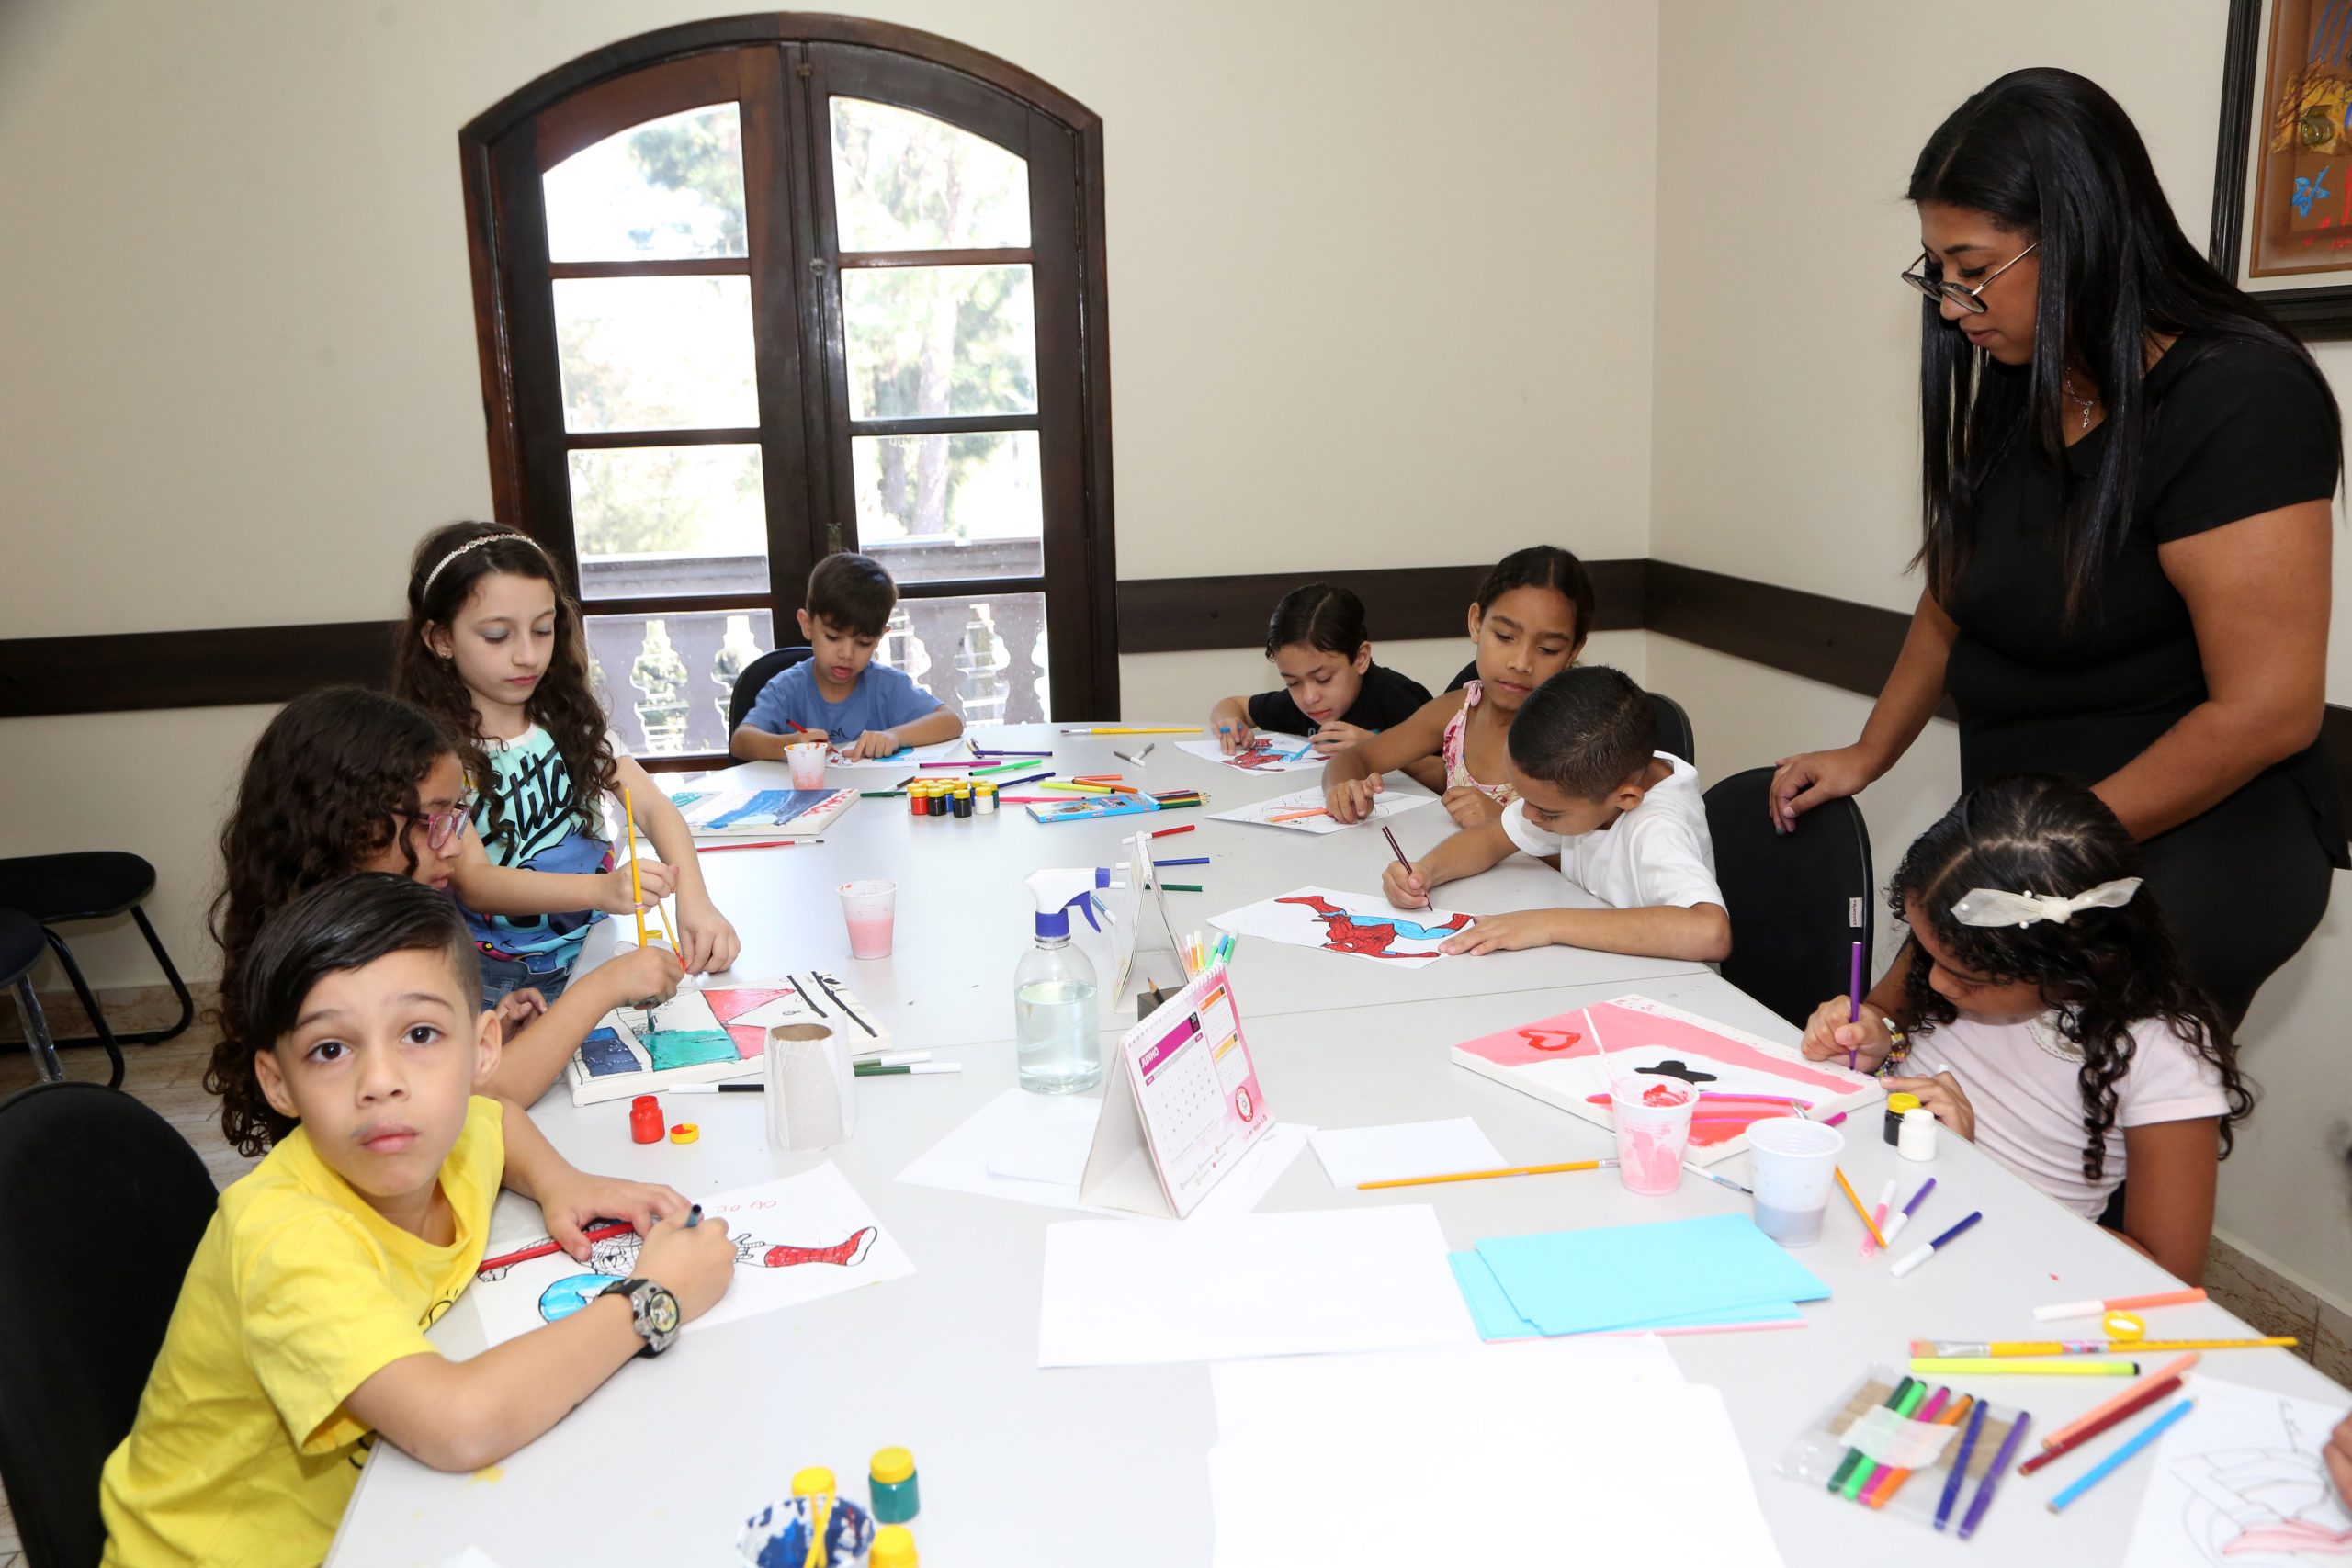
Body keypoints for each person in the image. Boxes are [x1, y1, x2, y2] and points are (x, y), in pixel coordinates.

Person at [1766, 67, 2342, 1032]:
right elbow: (1957, 597)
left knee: (2062, 1144)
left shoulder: (2238, 397)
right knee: (1884, 1052)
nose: (1950, 304)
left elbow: (2268, 713)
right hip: (2026, 839)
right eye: (1935, 271)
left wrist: (2029, 860)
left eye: (1972, 266)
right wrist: (1870, 750)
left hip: (2186, 836)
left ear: (2077, 236)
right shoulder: (2022, 375)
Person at [99, 874, 736, 1568]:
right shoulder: (285, 1237)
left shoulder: (439, 1136)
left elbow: (501, 1121)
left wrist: (564, 1183)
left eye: (421, 1034)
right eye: (330, 1049)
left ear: (483, 1047)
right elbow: (458, 1424)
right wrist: (651, 1298)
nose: (381, 1079)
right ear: (278, 1081)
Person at [1800, 776, 2248, 1285]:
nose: (1938, 981)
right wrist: (1874, 1037)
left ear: (2068, 965)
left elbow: (2169, 1273)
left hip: (1995, 1262)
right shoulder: (1959, 936)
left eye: (1968, 978)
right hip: (1869, 1189)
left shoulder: (2163, 1053)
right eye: (1928, 955)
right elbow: (1886, 1014)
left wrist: (1971, 1170)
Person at [208, 686, 682, 1134]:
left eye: (457, 817)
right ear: (346, 825)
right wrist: (604, 986)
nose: (454, 847)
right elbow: (481, 1098)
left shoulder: (382, 926)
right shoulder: (341, 964)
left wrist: (484, 1040)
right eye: (433, 820)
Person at [392, 522, 741, 1006]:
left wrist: (696, 902)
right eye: (497, 636)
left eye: (543, 628)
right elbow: (476, 882)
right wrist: (601, 890)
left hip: (597, 952)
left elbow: (656, 809)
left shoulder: (566, 719)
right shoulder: (438, 753)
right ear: (441, 639)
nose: (528, 655)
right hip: (500, 984)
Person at [1381, 666, 1729, 962]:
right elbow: (1491, 838)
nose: (1528, 815)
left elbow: (1710, 932)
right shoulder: (1586, 791)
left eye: (1547, 811)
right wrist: (1424, 871)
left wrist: (1547, 925)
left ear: (1625, 798)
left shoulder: (1659, 827)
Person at [1323, 545, 1592, 829]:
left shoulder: (1581, 740)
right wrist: (1342, 789)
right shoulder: (1457, 711)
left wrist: (1505, 827)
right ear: (1476, 623)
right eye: (1505, 637)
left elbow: (1591, 855)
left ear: (1574, 650)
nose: (1521, 663)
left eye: (1547, 649)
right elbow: (1356, 757)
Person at [730, 551, 967, 761]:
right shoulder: (787, 688)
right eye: (833, 637)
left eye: (864, 643)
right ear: (807, 625)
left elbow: (950, 721)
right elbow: (741, 742)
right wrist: (787, 745)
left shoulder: (886, 686)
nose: (846, 654)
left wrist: (893, 736)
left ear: (879, 637)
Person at [1205, 582, 1433, 762]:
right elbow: (1232, 705)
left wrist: (1376, 748)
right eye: (1293, 683)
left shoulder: (1399, 697)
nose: (1309, 697)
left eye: (1323, 679)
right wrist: (1230, 724)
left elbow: (1448, 775)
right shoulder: (1298, 706)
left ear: (1361, 658)